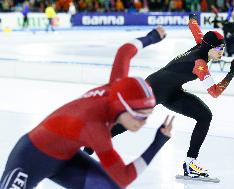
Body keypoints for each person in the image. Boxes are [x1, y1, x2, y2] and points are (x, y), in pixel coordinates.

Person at [0, 27, 173, 189]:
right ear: (123, 107)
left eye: (148, 115)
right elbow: (124, 177)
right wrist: (157, 143)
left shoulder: (116, 87)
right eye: (140, 116)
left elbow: (125, 52)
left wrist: (152, 37)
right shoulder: (95, 128)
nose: (143, 123)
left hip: (67, 159)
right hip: (31, 158)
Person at [109, 15, 234, 179]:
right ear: (210, 48)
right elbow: (214, 92)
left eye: (223, 48)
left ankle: (191, 164)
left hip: (171, 92)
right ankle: (94, 140)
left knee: (205, 116)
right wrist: (232, 73)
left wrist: (192, 17)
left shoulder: (202, 43)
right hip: (151, 90)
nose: (222, 52)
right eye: (219, 48)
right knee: (128, 123)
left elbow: (194, 27)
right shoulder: (200, 65)